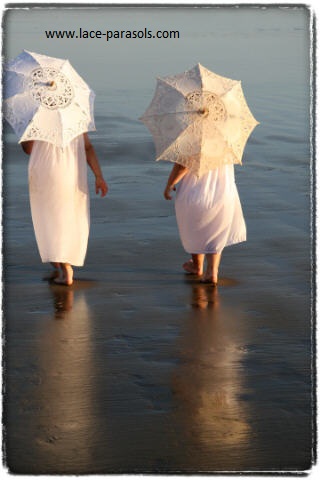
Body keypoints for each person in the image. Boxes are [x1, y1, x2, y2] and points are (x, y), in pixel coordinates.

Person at [21, 133, 108, 286]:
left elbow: (28, 149)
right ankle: (57, 259)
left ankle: (65, 267)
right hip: (72, 174)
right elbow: (88, 148)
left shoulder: (38, 118)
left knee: (49, 218)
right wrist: (98, 176)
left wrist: (27, 134)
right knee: (67, 218)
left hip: (45, 174)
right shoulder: (75, 117)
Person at [164, 162, 246, 286]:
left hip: (196, 194)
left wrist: (170, 184)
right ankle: (212, 271)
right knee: (216, 232)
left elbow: (183, 164)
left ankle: (197, 265)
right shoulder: (226, 144)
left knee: (194, 228)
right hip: (224, 195)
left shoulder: (195, 142)